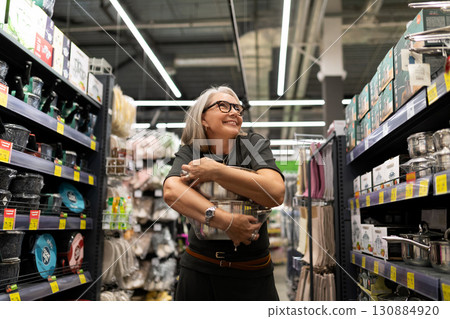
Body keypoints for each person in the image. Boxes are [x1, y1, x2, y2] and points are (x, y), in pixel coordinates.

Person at [163, 86, 285, 301]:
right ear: (203, 119)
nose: (234, 112)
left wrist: (217, 171)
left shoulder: (253, 144)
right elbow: (172, 191)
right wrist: (227, 222)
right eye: (223, 106)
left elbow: (275, 193)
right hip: (200, 271)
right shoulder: (192, 150)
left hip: (253, 273)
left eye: (238, 108)